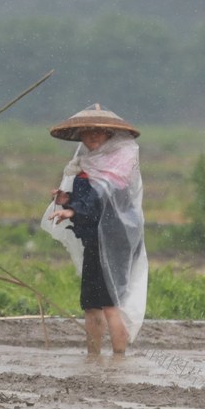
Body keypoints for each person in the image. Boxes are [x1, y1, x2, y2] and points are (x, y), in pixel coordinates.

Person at [45, 105, 149, 355]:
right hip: (96, 241)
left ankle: (118, 360)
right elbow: (91, 201)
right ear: (80, 135)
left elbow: (100, 198)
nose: (92, 135)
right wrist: (67, 200)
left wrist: (74, 210)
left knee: (110, 304)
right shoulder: (88, 165)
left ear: (109, 135)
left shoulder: (117, 165)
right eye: (87, 131)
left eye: (98, 131)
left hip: (113, 241)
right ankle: (93, 357)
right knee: (91, 305)